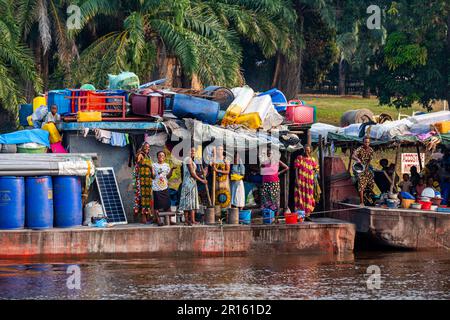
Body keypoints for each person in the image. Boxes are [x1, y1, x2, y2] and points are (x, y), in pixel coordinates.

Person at [179, 147, 208, 226]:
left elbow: (194, 173)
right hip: (188, 184)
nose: (192, 152)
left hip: (193, 183)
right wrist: (202, 180)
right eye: (191, 151)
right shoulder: (187, 159)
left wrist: (202, 172)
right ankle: (186, 220)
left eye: (194, 151)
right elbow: (192, 173)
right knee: (187, 202)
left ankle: (192, 219)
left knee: (192, 202)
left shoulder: (192, 160)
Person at [260, 148, 289, 216]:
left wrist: (279, 173)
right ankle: (268, 215)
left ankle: (276, 216)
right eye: (268, 154)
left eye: (270, 154)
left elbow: (286, 167)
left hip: (274, 182)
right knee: (266, 198)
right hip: (265, 182)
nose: (269, 155)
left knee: (275, 198)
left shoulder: (276, 161)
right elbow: (261, 169)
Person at [294, 145, 319, 219]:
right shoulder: (300, 158)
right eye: (305, 150)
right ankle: (300, 216)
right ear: (303, 150)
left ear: (311, 151)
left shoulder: (312, 159)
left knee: (309, 197)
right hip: (301, 181)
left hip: (309, 182)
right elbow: (296, 169)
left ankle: (307, 215)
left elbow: (316, 169)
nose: (306, 151)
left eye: (308, 150)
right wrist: (297, 179)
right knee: (300, 197)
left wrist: (314, 175)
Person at [151, 151, 174, 226]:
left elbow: (168, 176)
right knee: (157, 205)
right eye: (159, 155)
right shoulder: (154, 165)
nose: (161, 156)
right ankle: (159, 220)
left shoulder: (167, 165)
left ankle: (169, 220)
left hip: (164, 187)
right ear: (157, 156)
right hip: (156, 187)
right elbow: (153, 176)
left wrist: (172, 170)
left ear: (164, 157)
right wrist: (151, 170)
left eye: (162, 155)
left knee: (167, 204)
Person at [133, 142, 153, 224]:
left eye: (148, 147)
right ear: (142, 147)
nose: (147, 148)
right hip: (141, 180)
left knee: (147, 198)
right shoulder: (141, 155)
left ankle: (147, 216)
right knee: (142, 198)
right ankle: (143, 218)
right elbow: (137, 161)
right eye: (145, 146)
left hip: (148, 180)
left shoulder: (149, 156)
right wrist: (139, 154)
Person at [352, 136, 375, 206]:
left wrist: (368, 168)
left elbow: (370, 160)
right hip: (360, 169)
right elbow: (353, 156)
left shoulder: (371, 150)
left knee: (371, 184)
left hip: (367, 170)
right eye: (365, 142)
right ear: (363, 142)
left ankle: (368, 198)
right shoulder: (360, 149)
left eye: (368, 142)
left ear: (369, 143)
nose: (366, 143)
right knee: (361, 186)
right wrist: (357, 159)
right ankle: (361, 202)